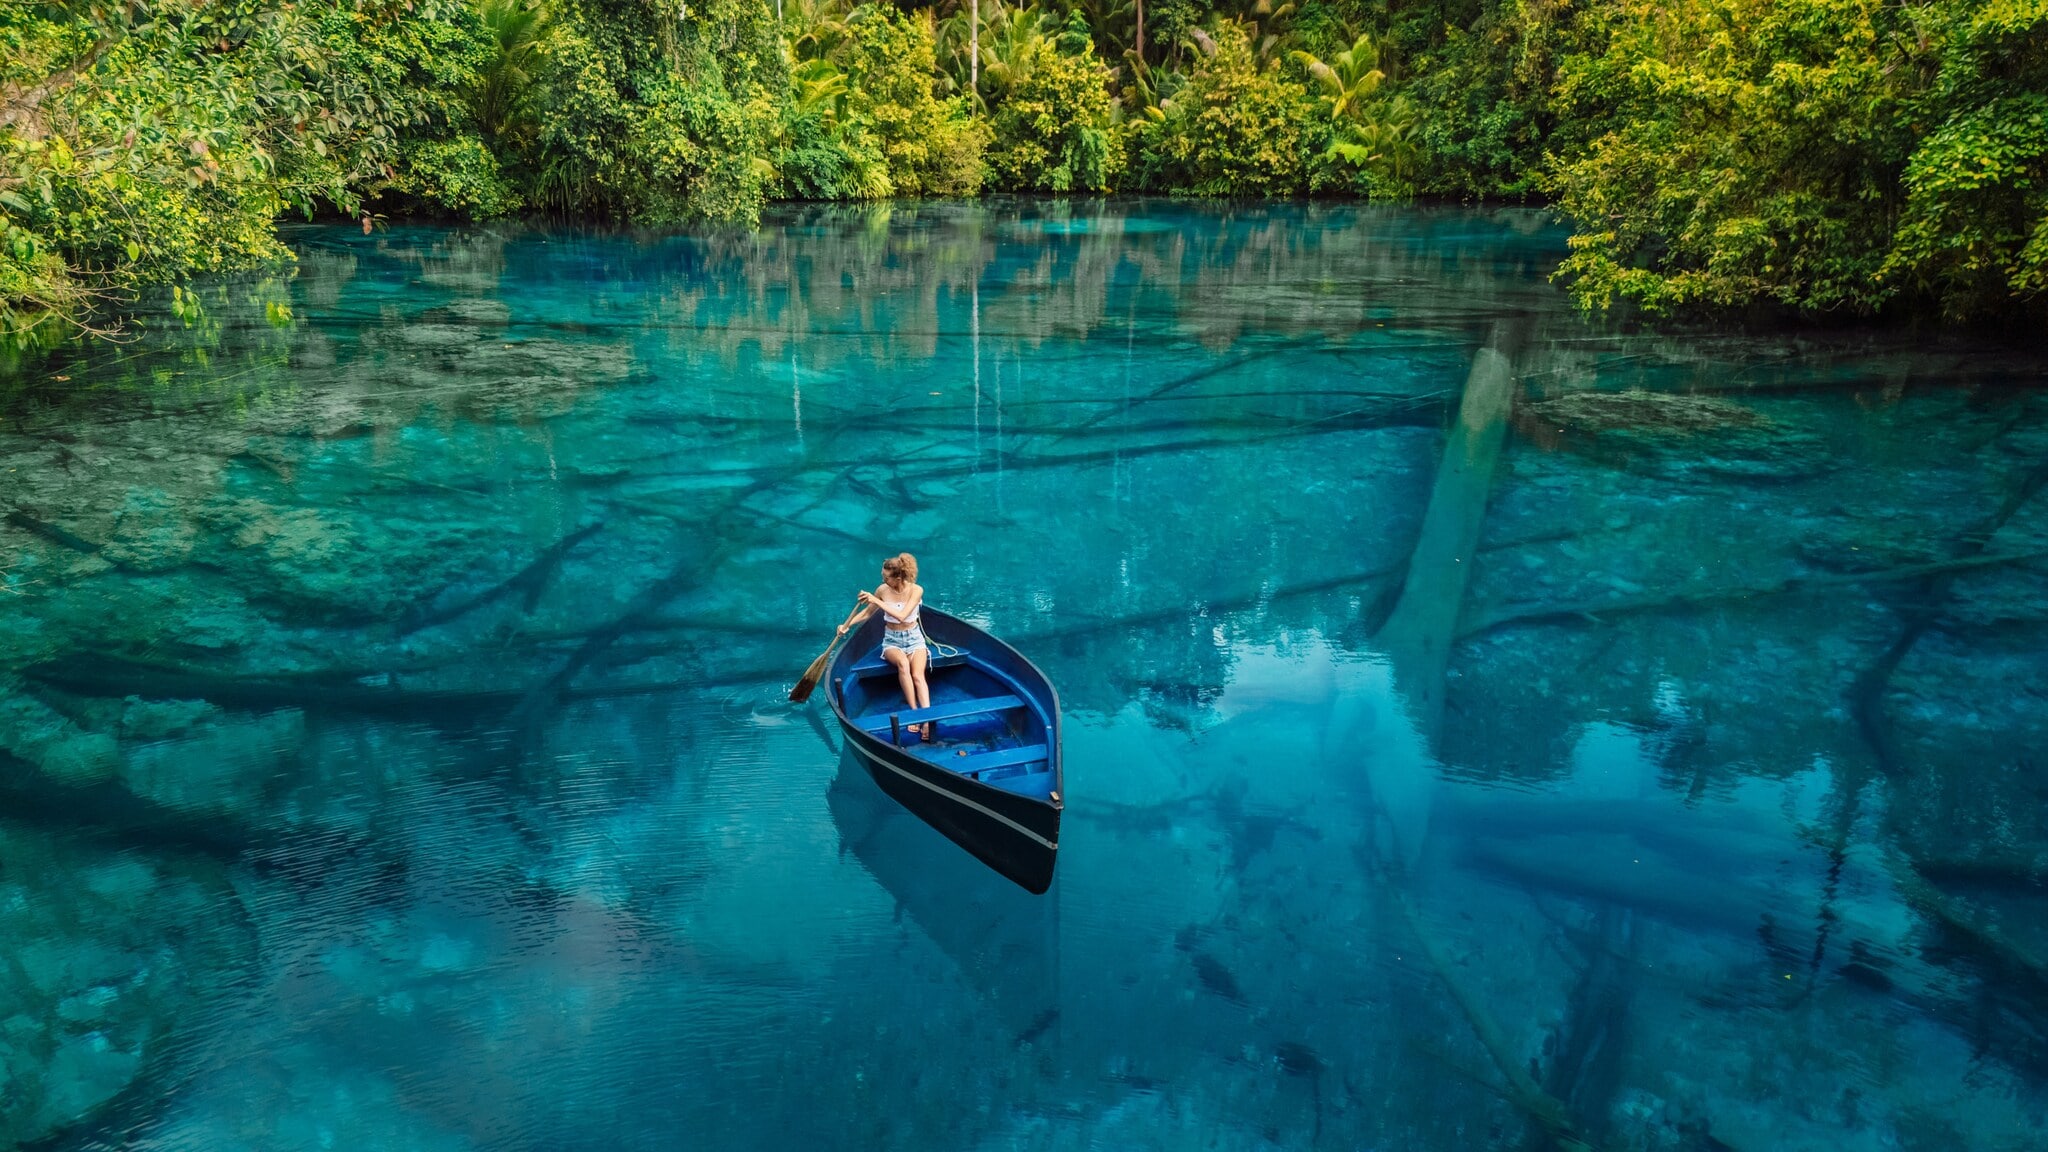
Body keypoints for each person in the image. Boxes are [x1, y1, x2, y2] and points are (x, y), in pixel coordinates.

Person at [839, 552, 932, 739]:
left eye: (886, 577)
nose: (882, 580)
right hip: (892, 641)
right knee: (903, 666)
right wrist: (846, 626)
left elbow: (903, 615)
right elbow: (867, 614)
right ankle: (915, 714)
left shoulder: (916, 590)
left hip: (915, 638)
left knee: (918, 676)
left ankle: (927, 720)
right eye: (882, 576)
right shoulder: (882, 590)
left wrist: (875, 601)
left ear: (898, 577)